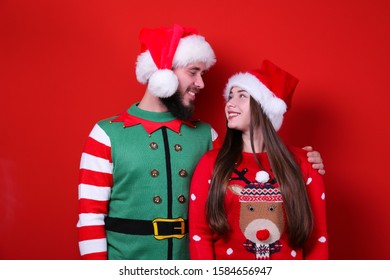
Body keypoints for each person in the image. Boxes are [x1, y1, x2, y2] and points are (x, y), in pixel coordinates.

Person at [77, 25, 325, 260]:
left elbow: (246, 163)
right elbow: (90, 217)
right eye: (193, 72)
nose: (201, 84)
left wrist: (299, 160)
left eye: (202, 74)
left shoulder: (207, 136)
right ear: (163, 72)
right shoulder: (106, 134)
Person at [189, 60, 328, 260]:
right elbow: (199, 235)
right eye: (230, 96)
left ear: (264, 107)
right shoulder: (211, 163)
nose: (230, 103)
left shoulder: (304, 163)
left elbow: (317, 239)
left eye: (242, 96)